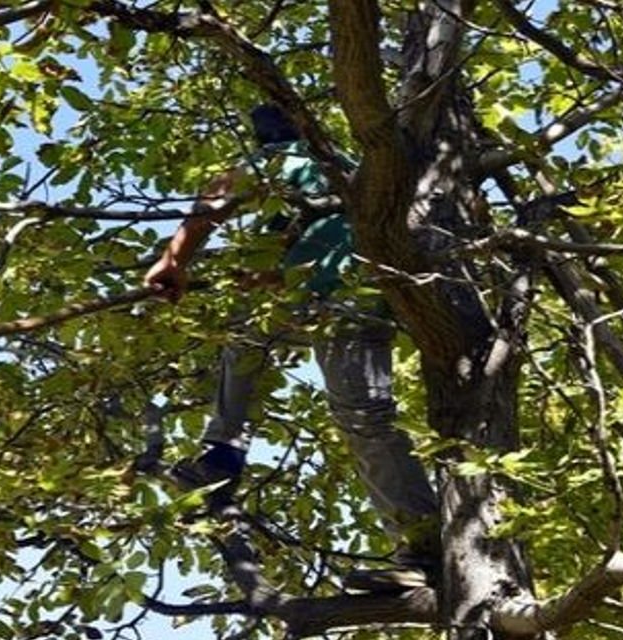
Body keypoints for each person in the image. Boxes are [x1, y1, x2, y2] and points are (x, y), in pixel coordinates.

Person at [144, 105, 441, 592]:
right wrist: (268, 275)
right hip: (362, 295)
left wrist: (172, 261)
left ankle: (222, 455)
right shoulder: (345, 166)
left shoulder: (275, 161)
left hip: (338, 299)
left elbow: (212, 203)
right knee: (356, 411)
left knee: (250, 347)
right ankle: (421, 547)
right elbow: (324, 242)